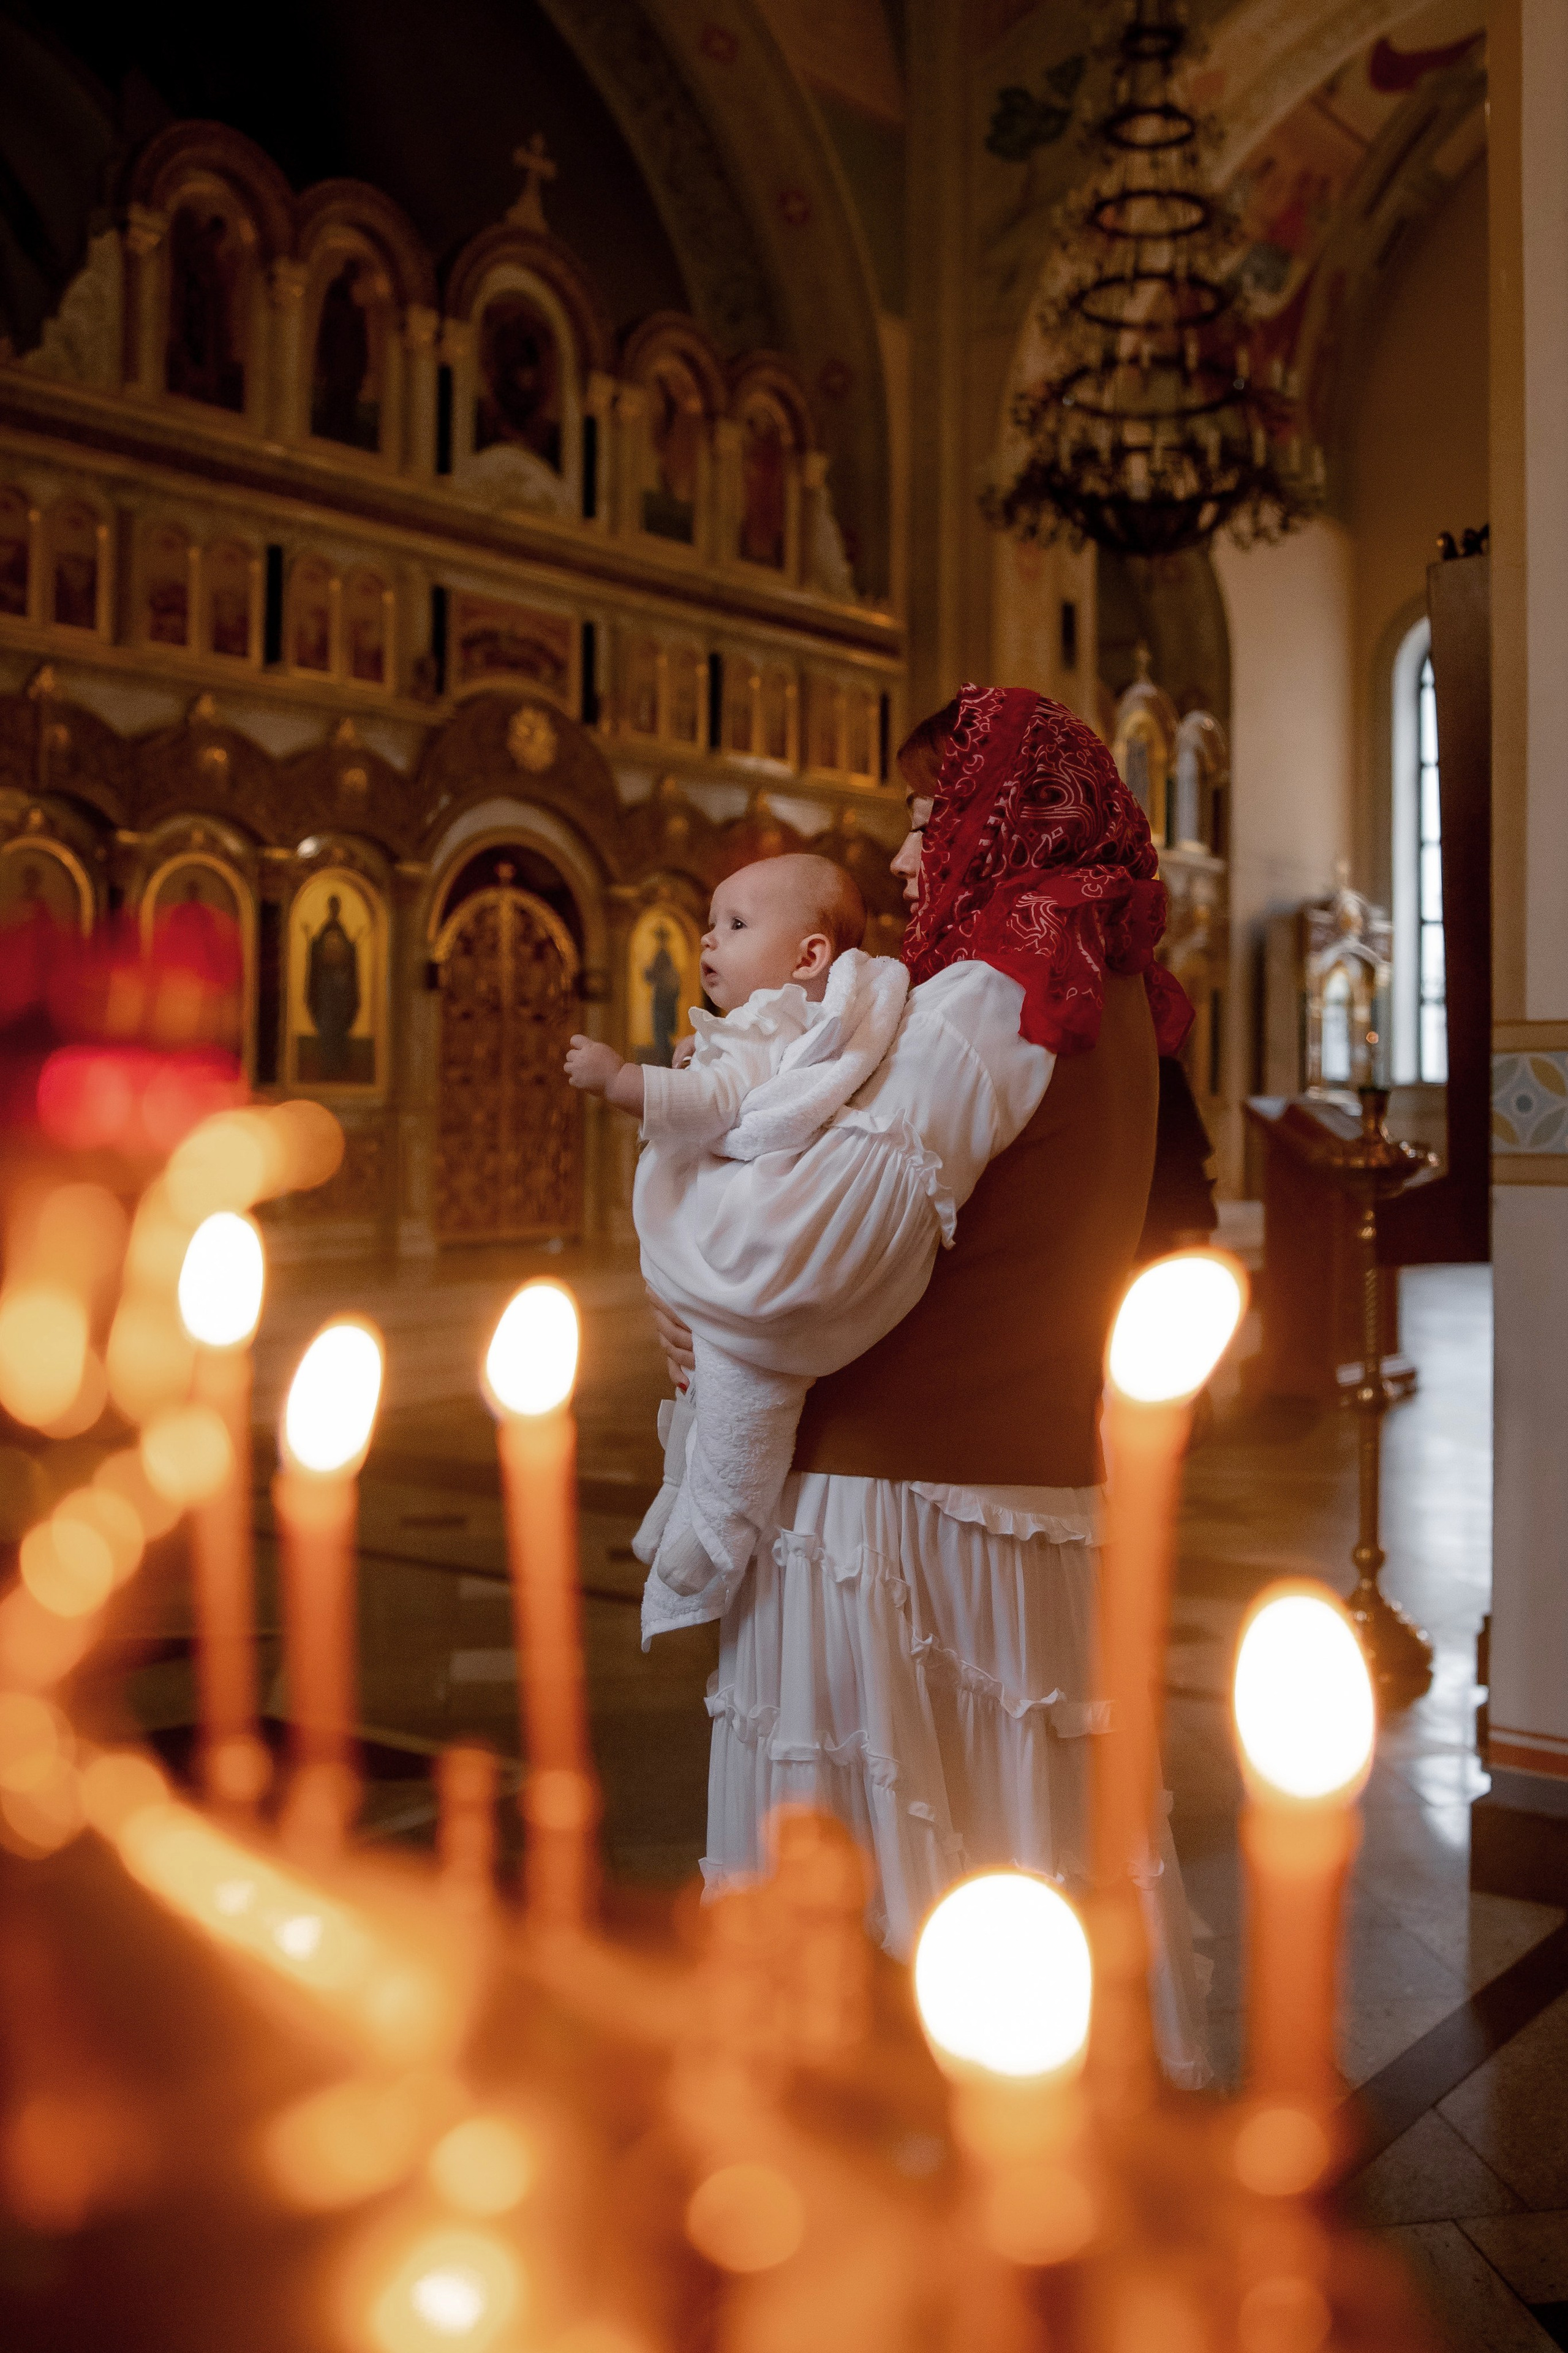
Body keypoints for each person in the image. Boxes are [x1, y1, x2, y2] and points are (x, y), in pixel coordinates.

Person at [646, 683, 1213, 2087]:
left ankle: (870, 2193)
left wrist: (691, 1274)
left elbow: (799, 1261)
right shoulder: (1110, 984)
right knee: (1020, 1861)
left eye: (924, 820)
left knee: (874, 1889)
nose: (905, 861)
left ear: (1001, 817)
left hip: (894, 1520)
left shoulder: (989, 990)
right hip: (1022, 1504)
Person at [565, 852, 914, 1623]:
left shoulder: (770, 1026)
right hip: (730, 1258)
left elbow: (715, 1105)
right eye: (708, 924)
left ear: (808, 957)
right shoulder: (762, 1029)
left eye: (735, 924)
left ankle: (718, 1531)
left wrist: (621, 1078)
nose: (706, 941)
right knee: (701, 1400)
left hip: (754, 1267)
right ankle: (679, 1501)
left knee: (738, 1410)